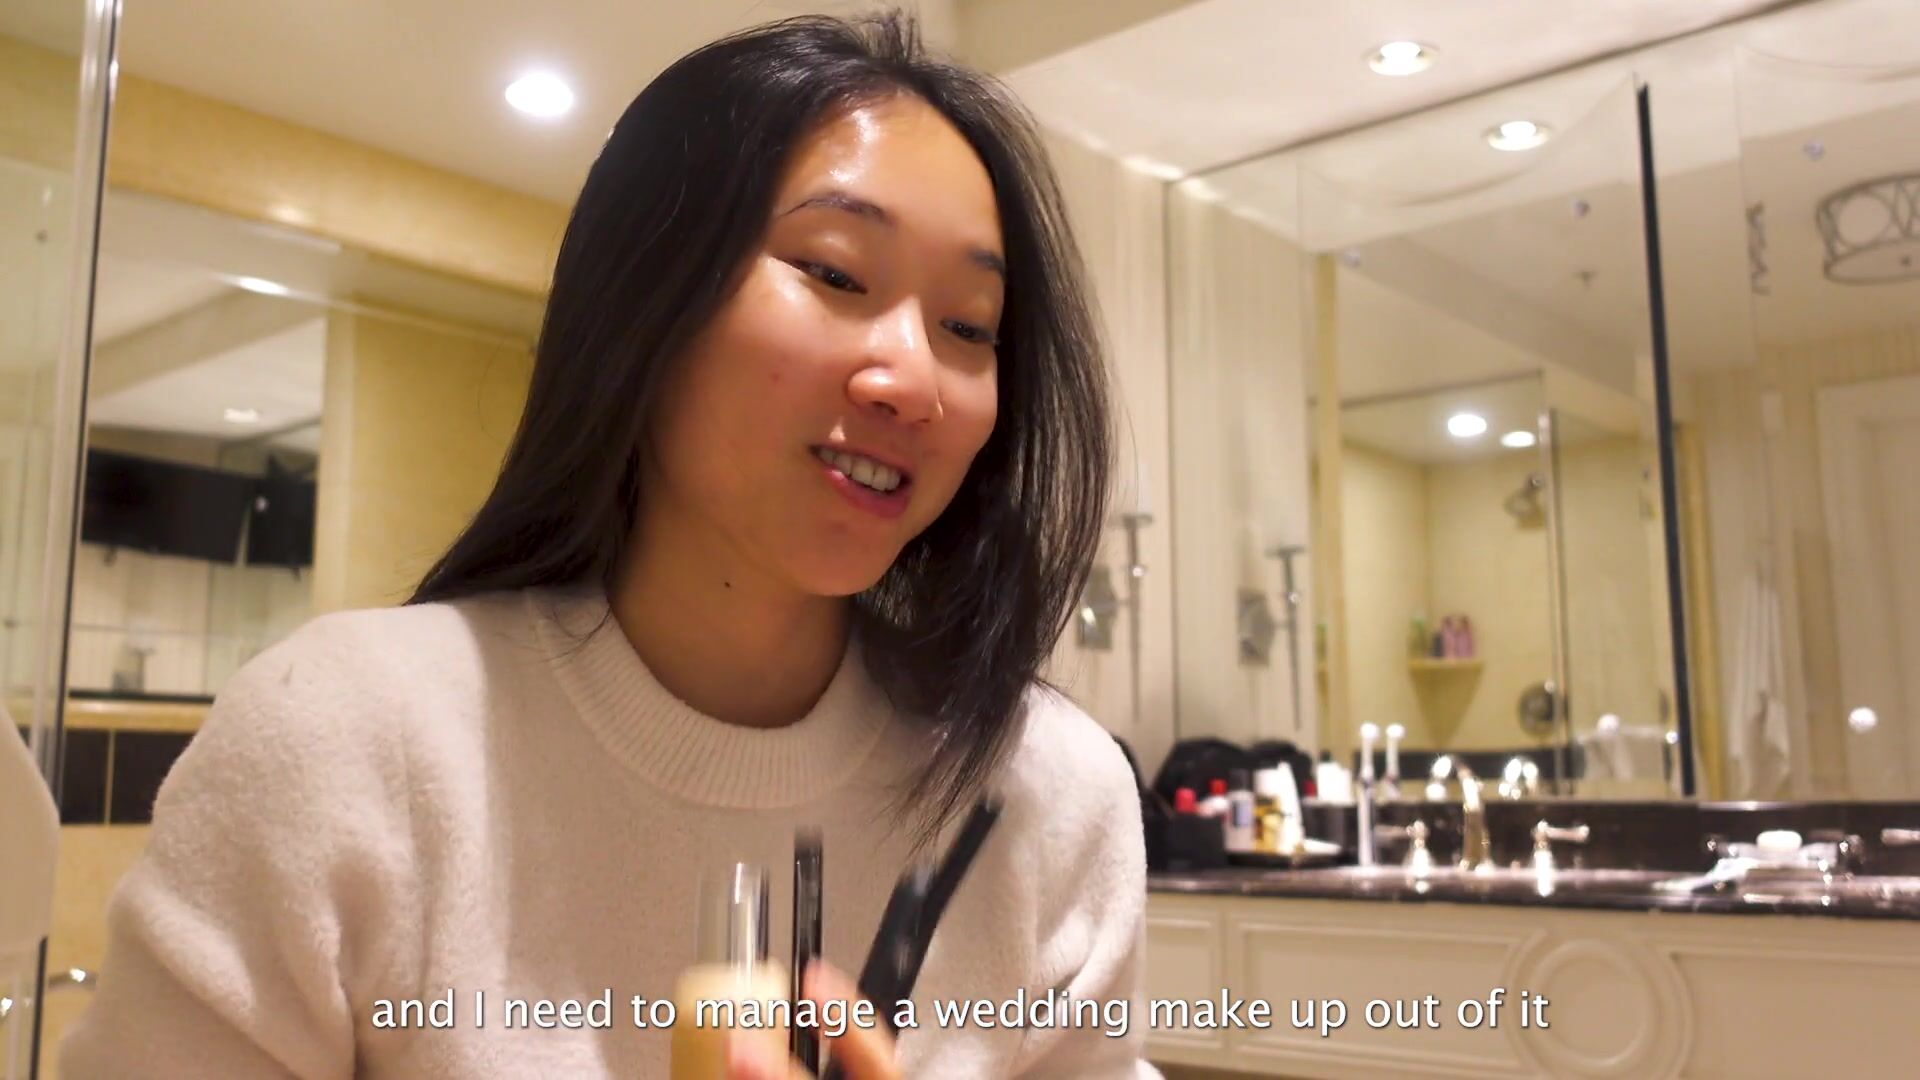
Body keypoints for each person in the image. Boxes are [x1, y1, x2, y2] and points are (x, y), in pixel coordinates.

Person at [63, 11, 1151, 1078]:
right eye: (833, 272)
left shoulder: (1046, 794)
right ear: (647, 297)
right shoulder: (345, 742)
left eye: (968, 327)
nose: (913, 379)